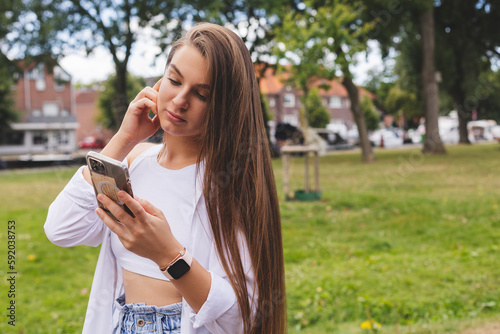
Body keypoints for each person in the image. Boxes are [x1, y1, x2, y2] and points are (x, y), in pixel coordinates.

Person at [45, 23, 286, 334]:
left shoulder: (230, 183)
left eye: (201, 94)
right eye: (174, 80)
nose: (180, 100)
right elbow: (60, 229)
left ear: (226, 107)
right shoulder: (133, 162)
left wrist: (168, 255)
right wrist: (124, 139)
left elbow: (243, 316)